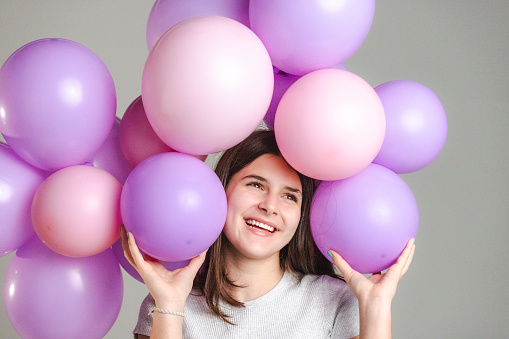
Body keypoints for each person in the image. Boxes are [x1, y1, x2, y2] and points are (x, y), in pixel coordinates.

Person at [121, 129, 415, 339]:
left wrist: (376, 306)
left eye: (290, 196)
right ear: (220, 191)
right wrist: (170, 305)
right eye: (256, 185)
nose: (269, 206)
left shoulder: (335, 300)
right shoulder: (166, 302)